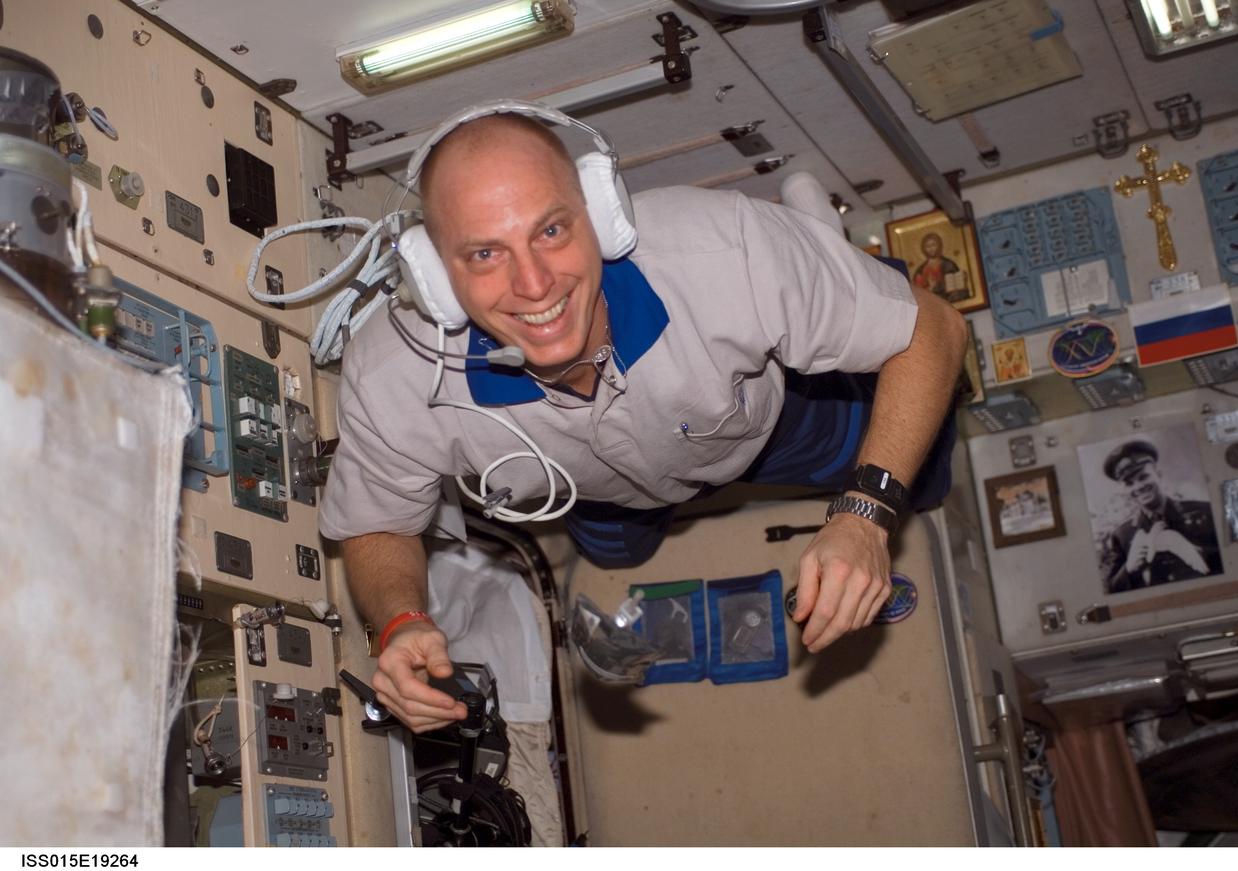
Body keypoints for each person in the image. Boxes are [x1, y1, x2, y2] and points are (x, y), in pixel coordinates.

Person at [318, 106, 967, 736]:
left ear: (600, 215)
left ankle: (830, 260)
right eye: (485, 254)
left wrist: (866, 516)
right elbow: (376, 519)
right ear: (433, 275)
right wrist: (401, 620)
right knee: (613, 552)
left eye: (551, 231)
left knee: (918, 462)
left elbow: (934, 329)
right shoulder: (394, 371)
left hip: (768, 424)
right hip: (597, 493)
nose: (535, 283)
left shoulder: (730, 249)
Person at [1099, 440, 1223, 593]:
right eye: (1129, 483)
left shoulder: (1204, 510)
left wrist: (1197, 552)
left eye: (1143, 477)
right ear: (1124, 489)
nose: (1138, 487)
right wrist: (1129, 569)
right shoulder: (1122, 535)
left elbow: (1235, 559)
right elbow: (1110, 591)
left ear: (1159, 474)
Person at [911, 232, 967, 303]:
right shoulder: (921, 270)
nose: (931, 248)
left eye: (933, 245)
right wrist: (930, 288)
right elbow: (918, 292)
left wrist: (962, 279)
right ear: (923, 248)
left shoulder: (949, 264)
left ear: (939, 245)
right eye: (927, 246)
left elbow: (956, 283)